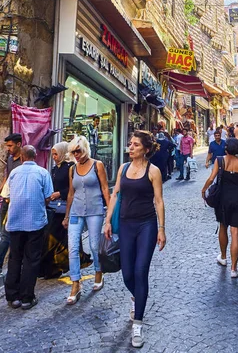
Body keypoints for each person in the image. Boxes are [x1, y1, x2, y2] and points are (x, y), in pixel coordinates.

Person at [104, 130, 166, 349]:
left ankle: (137, 323)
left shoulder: (153, 171)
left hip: (147, 225)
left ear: (146, 149)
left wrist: (161, 228)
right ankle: (137, 297)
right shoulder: (122, 168)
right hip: (126, 225)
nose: (130, 148)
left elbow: (158, 201)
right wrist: (108, 220)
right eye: (130, 144)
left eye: (136, 145)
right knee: (127, 273)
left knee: (140, 271)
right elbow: (114, 195)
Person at [4, 145, 53, 309]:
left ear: (22, 157)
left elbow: (7, 195)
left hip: (16, 222)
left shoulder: (14, 173)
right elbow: (48, 197)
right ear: (35, 156)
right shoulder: (43, 173)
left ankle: (13, 296)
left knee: (15, 258)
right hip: (35, 222)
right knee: (31, 260)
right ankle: (26, 297)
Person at [63, 135, 110, 304]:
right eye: (73, 152)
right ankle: (75, 283)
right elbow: (71, 193)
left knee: (94, 245)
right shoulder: (72, 169)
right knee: (73, 247)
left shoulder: (97, 165)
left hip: (95, 211)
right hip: (76, 212)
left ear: (85, 149)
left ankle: (99, 271)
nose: (76, 154)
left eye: (78, 151)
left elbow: (105, 188)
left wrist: (110, 213)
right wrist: (67, 215)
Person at [202, 138, 238, 277]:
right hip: (237, 198)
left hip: (223, 198)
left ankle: (223, 257)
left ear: (226, 148)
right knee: (235, 233)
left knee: (223, 226)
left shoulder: (220, 160)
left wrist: (204, 190)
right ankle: (234, 269)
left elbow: (212, 178)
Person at [0, 133, 23, 276]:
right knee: (6, 233)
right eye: (7, 146)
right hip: (7, 200)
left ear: (18, 144)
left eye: (10, 145)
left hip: (18, 203)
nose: (8, 148)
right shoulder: (9, 159)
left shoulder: (25, 160)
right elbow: (7, 177)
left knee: (7, 234)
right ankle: (2, 265)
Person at [40, 142, 73, 279]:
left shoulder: (70, 167)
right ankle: (49, 269)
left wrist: (59, 193)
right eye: (52, 154)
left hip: (64, 207)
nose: (54, 157)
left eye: (56, 154)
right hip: (54, 207)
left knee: (56, 238)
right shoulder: (55, 169)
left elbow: (72, 189)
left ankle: (56, 268)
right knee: (49, 238)